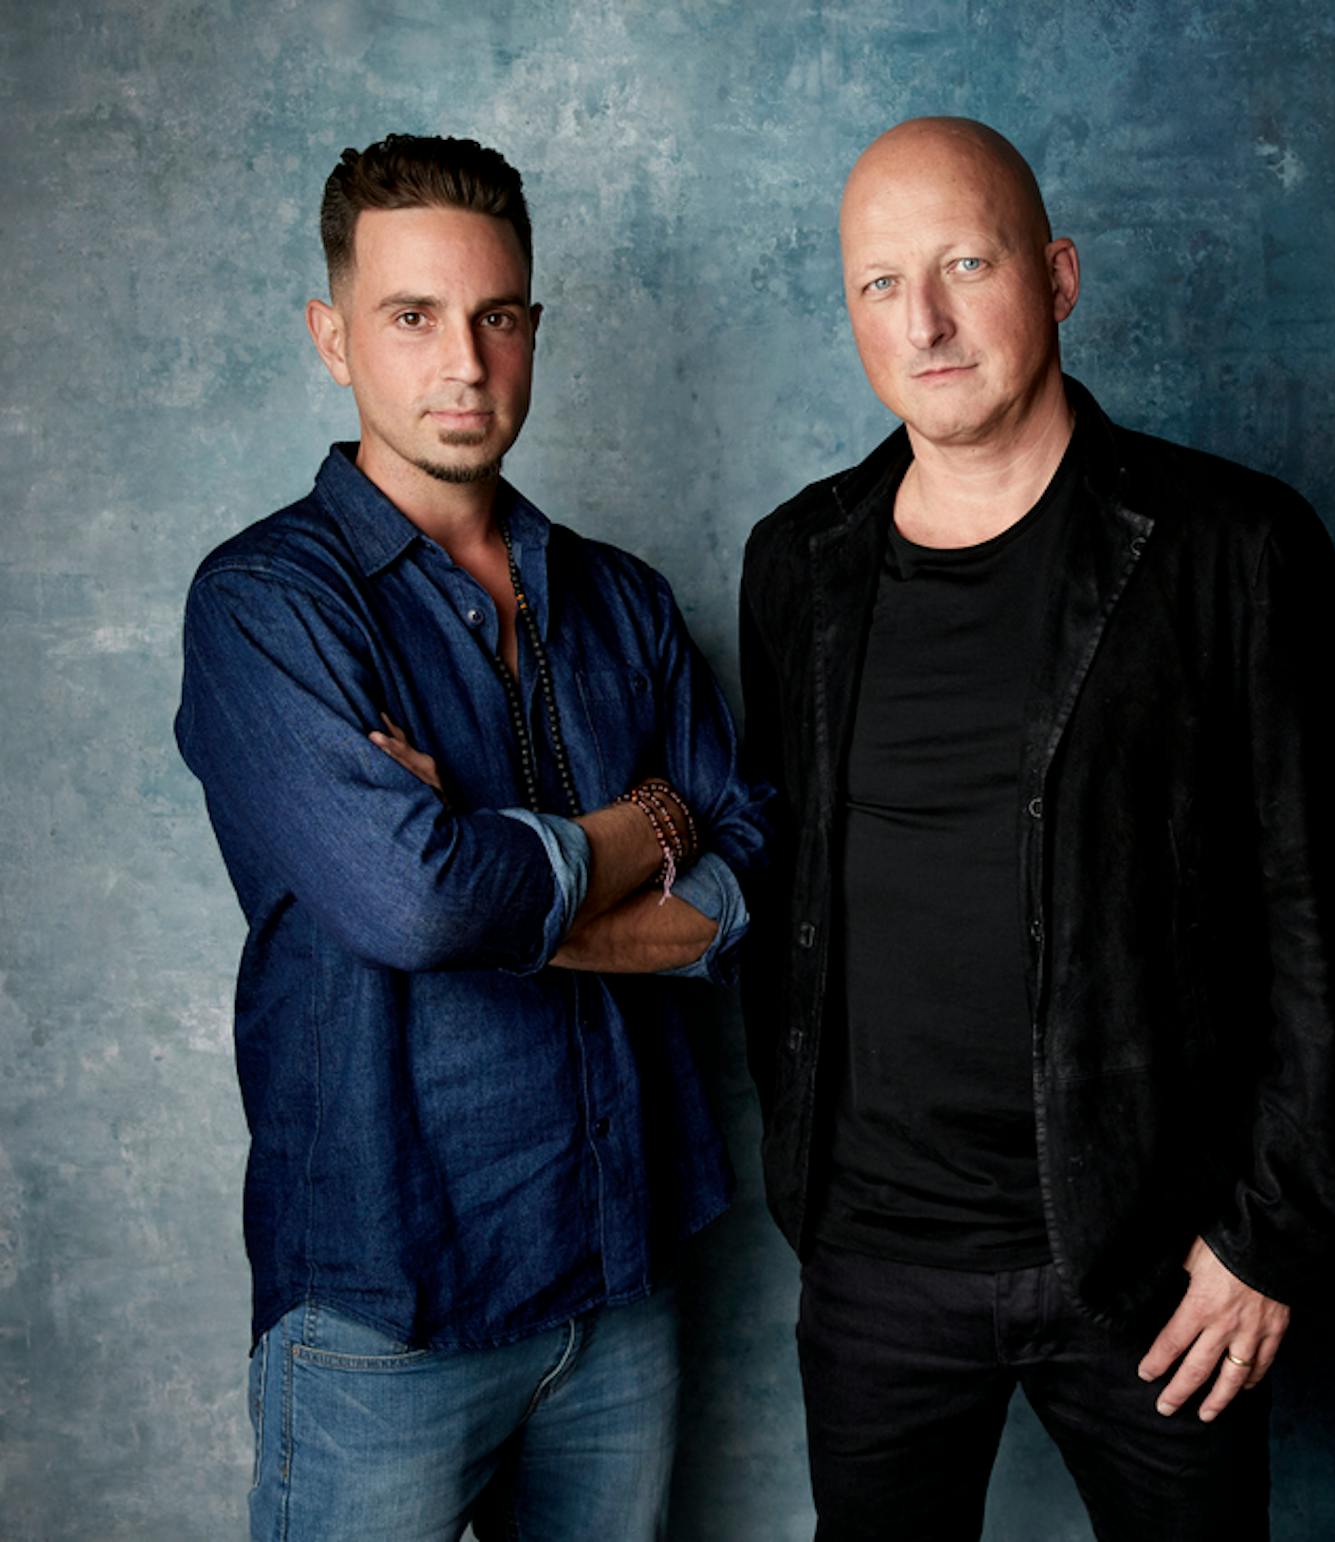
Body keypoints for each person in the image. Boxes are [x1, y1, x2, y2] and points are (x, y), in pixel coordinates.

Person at [737, 117, 1335, 1539]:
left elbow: (1319, 910)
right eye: (882, 283)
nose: (928, 319)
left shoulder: (1230, 544)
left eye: (967, 262)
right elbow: (789, 902)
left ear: (1060, 275)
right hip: (877, 1264)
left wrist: (1264, 1238)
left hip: (1154, 1261)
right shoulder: (800, 562)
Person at [174, 134, 763, 1541]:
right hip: (391, 1304)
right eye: (412, 316)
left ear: (533, 329)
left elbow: (753, 863)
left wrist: (500, 863)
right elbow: (418, 905)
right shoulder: (267, 607)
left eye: (497, 316)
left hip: (621, 1280)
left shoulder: (621, 600)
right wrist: (632, 832)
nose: (466, 362)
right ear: (334, 337)